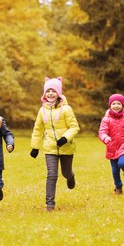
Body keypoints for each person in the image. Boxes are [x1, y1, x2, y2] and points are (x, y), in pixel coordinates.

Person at [30, 76, 80, 212]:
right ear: (45, 94)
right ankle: (50, 204)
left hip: (66, 147)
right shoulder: (42, 110)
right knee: (52, 174)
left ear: (58, 93)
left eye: (53, 91)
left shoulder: (66, 109)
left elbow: (75, 127)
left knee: (65, 172)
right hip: (50, 147)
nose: (50, 94)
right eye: (48, 91)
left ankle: (71, 177)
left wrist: (65, 138)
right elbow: (38, 129)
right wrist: (35, 147)